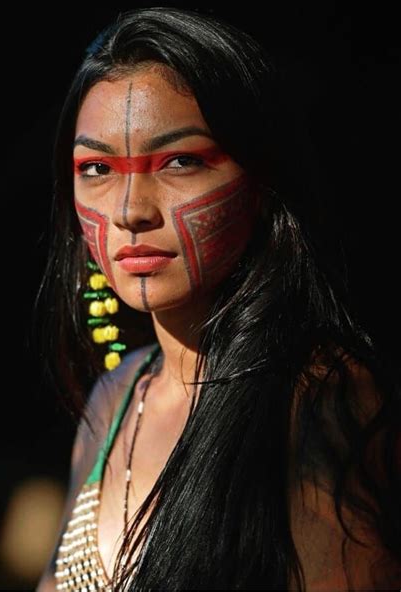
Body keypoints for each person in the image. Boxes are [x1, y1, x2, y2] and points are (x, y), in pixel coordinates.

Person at [36, 7, 400, 591]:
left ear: (263, 183)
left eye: (180, 161)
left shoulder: (323, 402)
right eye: (97, 167)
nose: (130, 210)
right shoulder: (114, 397)